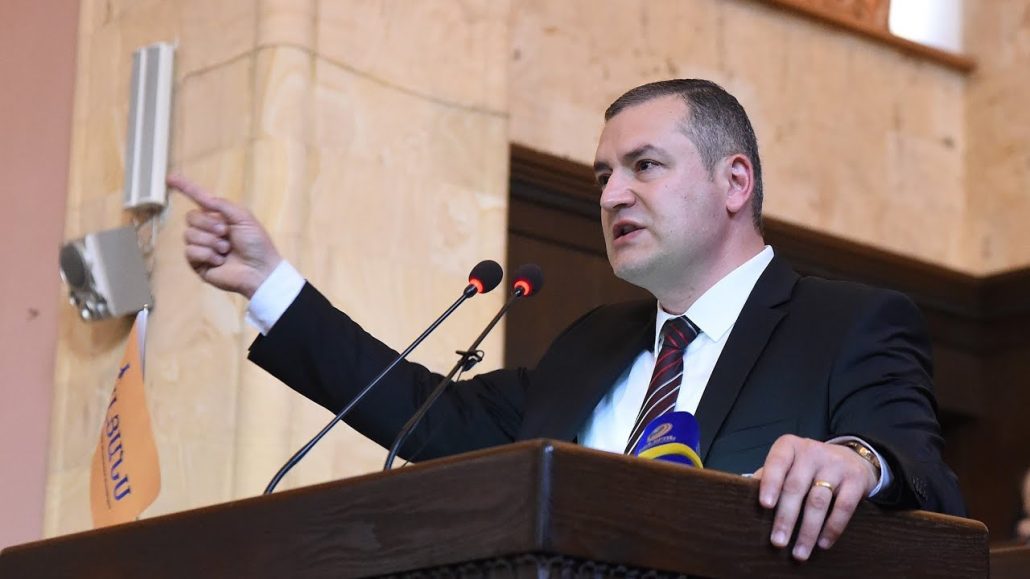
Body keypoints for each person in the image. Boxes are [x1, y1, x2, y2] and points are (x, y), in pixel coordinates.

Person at [170, 79, 966, 562]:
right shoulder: (591, 344)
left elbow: (923, 472)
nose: (611, 194)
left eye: (643, 166)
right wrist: (269, 284)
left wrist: (857, 460)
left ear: (735, 182)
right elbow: (426, 414)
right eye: (602, 176)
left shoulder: (847, 323)